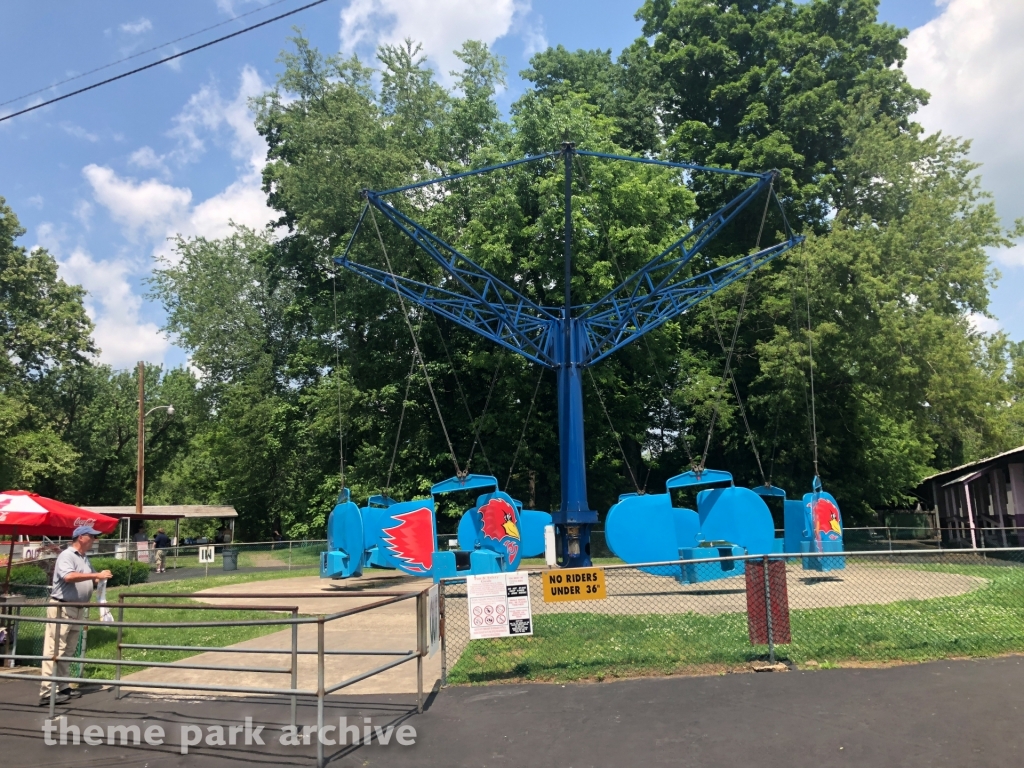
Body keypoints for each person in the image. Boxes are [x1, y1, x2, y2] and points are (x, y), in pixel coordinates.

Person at [39, 525, 112, 706]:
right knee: (55, 649)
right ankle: (47, 692)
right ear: (81, 537)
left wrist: (100, 578)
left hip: (78, 608)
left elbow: (91, 577)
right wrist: (95, 574)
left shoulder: (84, 558)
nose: (94, 540)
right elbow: (68, 577)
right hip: (62, 607)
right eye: (91, 536)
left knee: (68, 650)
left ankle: (63, 686)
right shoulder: (67, 555)